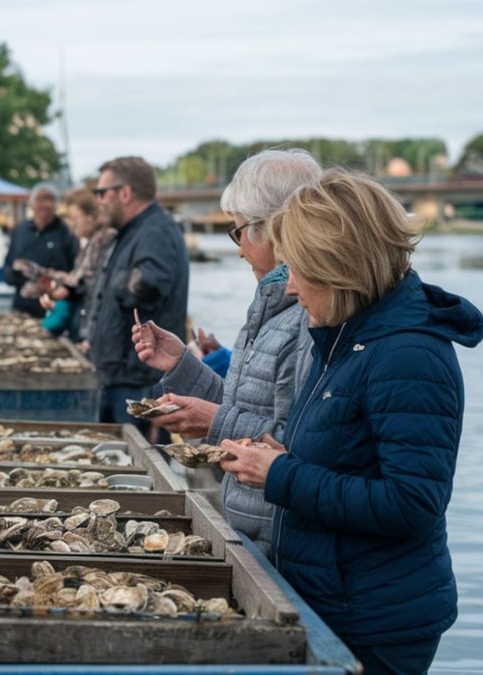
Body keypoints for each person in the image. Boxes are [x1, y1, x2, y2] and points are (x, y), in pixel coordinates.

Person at [218, 168, 483, 674]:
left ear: (335, 267)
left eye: (296, 268)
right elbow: (345, 455)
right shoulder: (341, 336)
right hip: (330, 600)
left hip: (376, 623)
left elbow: (411, 504)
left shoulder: (409, 356)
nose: (290, 288)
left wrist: (281, 475)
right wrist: (282, 458)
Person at [132, 148, 321, 554]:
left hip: (278, 541)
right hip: (257, 529)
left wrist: (215, 422)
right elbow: (247, 408)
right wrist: (183, 366)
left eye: (237, 231)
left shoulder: (310, 313)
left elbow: (293, 448)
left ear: (270, 227)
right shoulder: (274, 305)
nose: (237, 248)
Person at [85, 156, 189, 437]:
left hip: (139, 383)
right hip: (120, 377)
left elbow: (148, 286)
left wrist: (116, 280)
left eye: (102, 192)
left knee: (138, 472)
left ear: (125, 192)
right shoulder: (133, 232)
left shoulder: (156, 230)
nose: (99, 200)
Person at [38, 188, 117, 342]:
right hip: (84, 327)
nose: (71, 225)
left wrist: (64, 288)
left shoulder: (104, 240)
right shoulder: (90, 242)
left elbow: (89, 284)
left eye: (75, 218)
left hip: (95, 334)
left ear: (92, 217)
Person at [2, 183, 78, 318]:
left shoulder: (67, 233)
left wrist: (63, 288)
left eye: (50, 199)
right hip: (22, 307)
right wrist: (14, 274)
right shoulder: (20, 231)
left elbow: (77, 273)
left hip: (54, 309)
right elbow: (8, 266)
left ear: (56, 204)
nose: (46, 204)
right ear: (32, 204)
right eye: (41, 199)